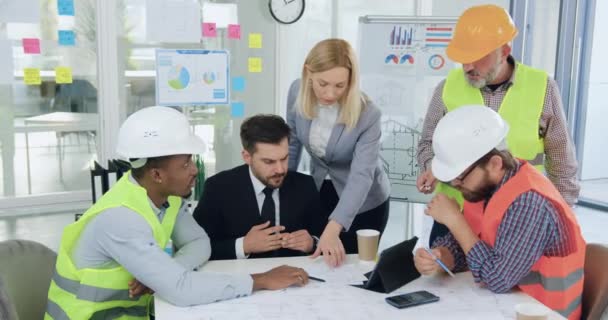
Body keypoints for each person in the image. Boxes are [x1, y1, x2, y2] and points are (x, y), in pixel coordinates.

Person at [45, 107, 309, 319]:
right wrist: (261, 279)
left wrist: (164, 275)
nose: (194, 170)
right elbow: (181, 290)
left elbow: (198, 242)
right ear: (157, 174)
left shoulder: (165, 198)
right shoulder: (120, 218)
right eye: (185, 164)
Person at [415, 4, 580, 246]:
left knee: (505, 283)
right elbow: (427, 143)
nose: (468, 67)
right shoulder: (446, 89)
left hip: (521, 222)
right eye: (463, 59)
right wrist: (434, 168)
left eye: (478, 57)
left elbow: (562, 163)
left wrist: (559, 220)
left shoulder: (543, 89)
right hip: (455, 218)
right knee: (440, 284)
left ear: (504, 50)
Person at [413, 106, 585, 320]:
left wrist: (455, 221)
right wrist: (441, 257)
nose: (455, 185)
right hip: (503, 306)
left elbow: (497, 279)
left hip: (543, 313)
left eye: (460, 176)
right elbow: (467, 245)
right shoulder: (484, 187)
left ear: (495, 163)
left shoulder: (529, 201)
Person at [287, 38, 391, 267]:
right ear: (308, 73)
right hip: (320, 189)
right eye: (323, 83)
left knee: (351, 269)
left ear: (351, 82)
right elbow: (292, 144)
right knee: (319, 265)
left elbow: (361, 176)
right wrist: (283, 194)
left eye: (340, 85)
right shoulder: (297, 90)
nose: (330, 93)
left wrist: (334, 227)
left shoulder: (368, 114)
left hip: (364, 202)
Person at [193, 114, 323, 260]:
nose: (280, 169)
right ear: (247, 157)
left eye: (284, 158)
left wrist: (313, 243)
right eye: (269, 162)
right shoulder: (217, 188)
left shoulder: (305, 185)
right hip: (241, 279)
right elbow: (195, 247)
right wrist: (243, 246)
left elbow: (325, 238)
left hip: (296, 277)